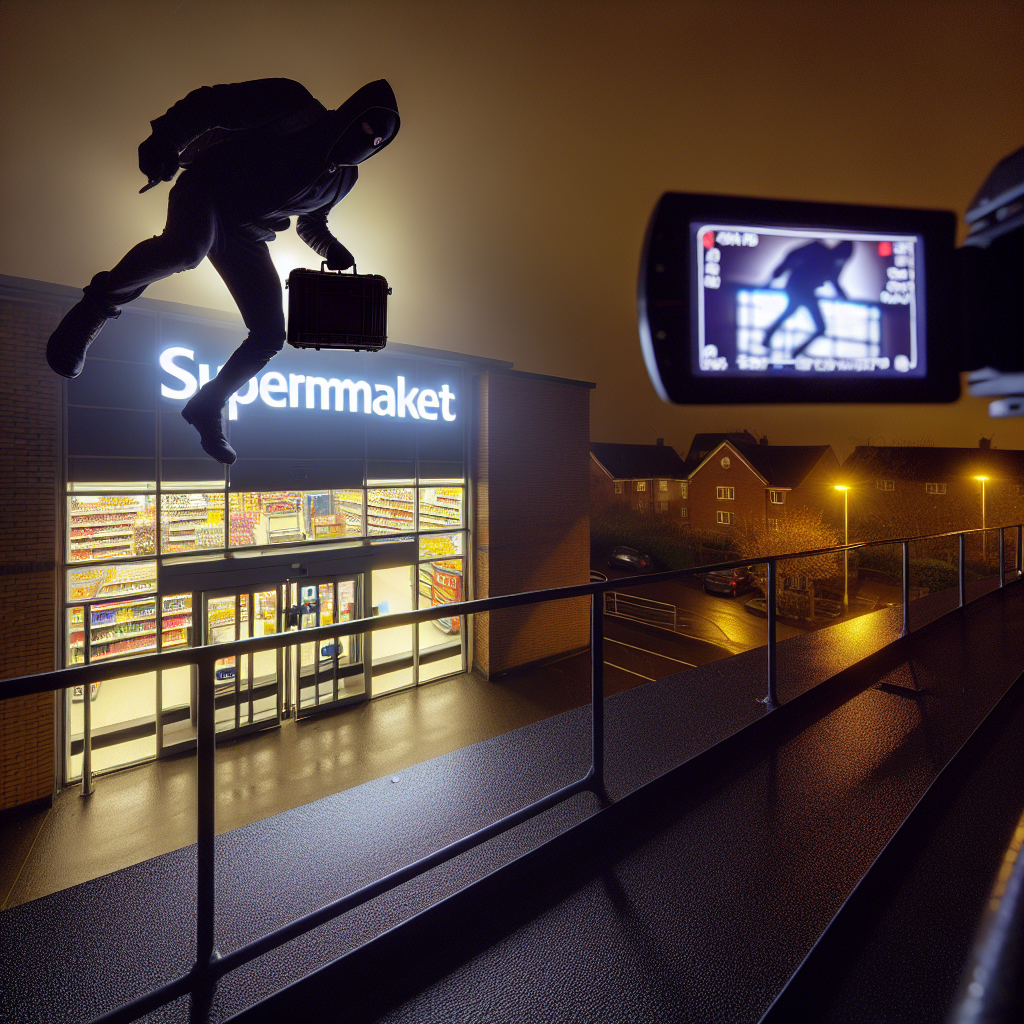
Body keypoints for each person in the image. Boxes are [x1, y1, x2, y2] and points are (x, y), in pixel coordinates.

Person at [46, 78, 400, 464]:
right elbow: (212, 104)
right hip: (207, 191)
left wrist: (331, 248)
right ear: (352, 111)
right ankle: (93, 308)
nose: (371, 141)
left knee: (269, 335)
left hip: (247, 235)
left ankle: (206, 406)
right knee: (185, 249)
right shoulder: (294, 105)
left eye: (381, 142)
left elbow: (310, 223)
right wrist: (167, 139)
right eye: (368, 127)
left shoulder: (345, 179)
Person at [759, 239, 853, 357]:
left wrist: (844, 296)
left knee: (792, 313)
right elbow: (792, 255)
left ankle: (772, 338)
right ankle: (783, 345)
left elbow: (834, 281)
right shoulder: (817, 248)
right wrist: (773, 279)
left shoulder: (833, 263)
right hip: (798, 288)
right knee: (819, 327)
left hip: (803, 291)